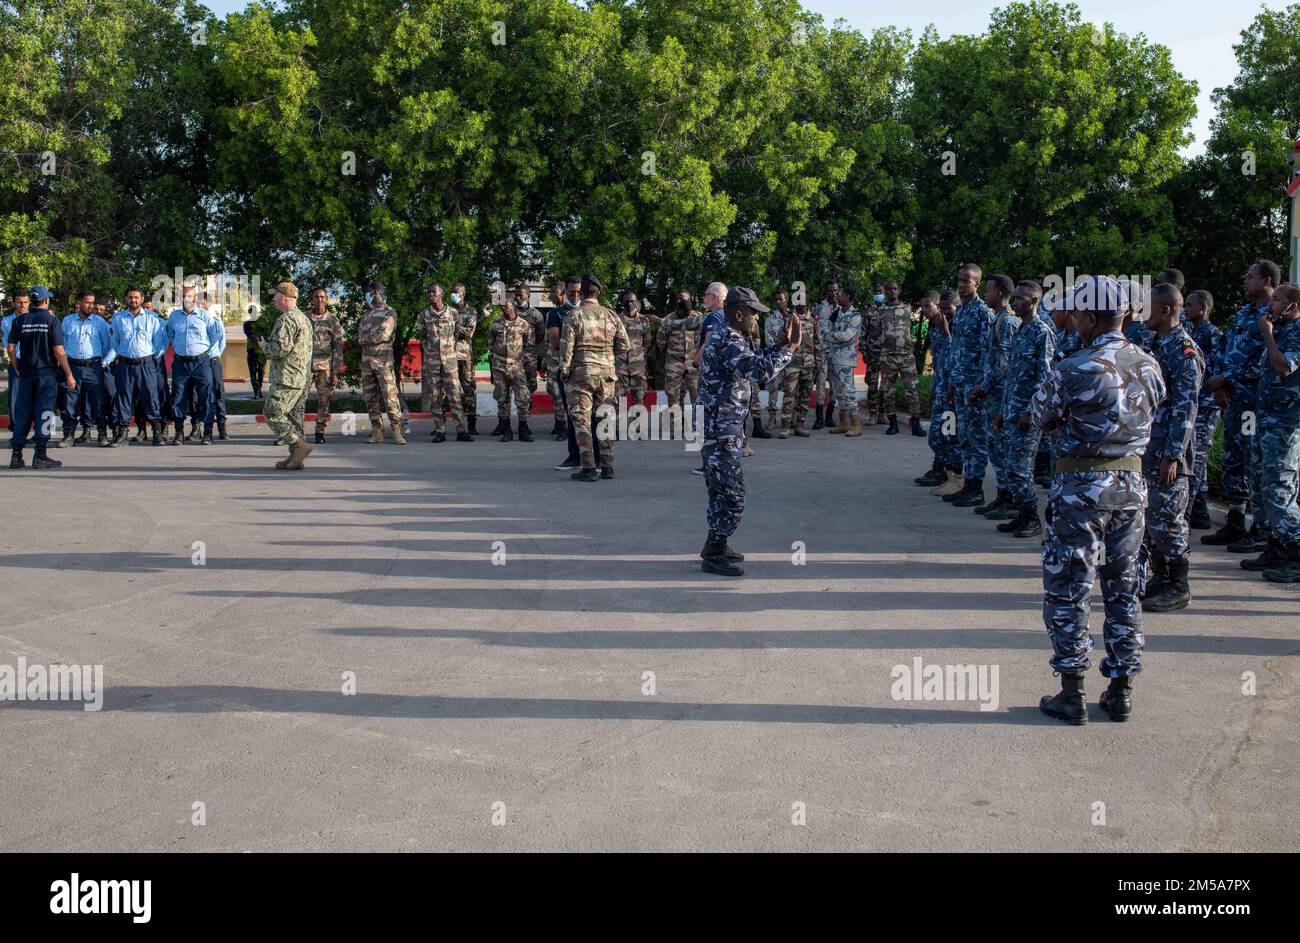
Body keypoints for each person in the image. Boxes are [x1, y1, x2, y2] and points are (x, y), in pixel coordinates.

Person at [1032, 276, 1165, 725]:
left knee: (1070, 587)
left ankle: (1072, 692)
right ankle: (1121, 691)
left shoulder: (1073, 367)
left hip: (1079, 489)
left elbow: (1041, 416)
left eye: (1077, 315)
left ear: (1090, 317)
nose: (1072, 322)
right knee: (1124, 585)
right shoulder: (1150, 364)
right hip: (1131, 488)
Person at [698, 287, 798, 576]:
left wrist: (781, 345)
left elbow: (757, 356)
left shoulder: (734, 335)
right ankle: (714, 552)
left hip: (725, 426)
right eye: (754, 313)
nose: (756, 318)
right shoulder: (727, 337)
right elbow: (760, 371)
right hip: (721, 428)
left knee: (721, 490)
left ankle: (716, 544)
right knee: (731, 493)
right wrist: (790, 350)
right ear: (739, 313)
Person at [1202, 260, 1280, 550]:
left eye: (1251, 277)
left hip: (1253, 399)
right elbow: (1225, 348)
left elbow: (1265, 360)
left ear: (1267, 279)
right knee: (1232, 454)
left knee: (1251, 456)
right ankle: (1235, 520)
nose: (1245, 281)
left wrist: (1227, 379)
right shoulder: (1244, 312)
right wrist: (1221, 382)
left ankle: (1259, 526)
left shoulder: (1273, 314)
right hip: (1233, 396)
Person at [1138, 283, 1204, 612]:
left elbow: (1186, 407)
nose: (1142, 313)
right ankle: (1160, 578)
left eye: (1148, 307)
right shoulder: (1155, 344)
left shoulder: (1184, 349)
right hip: (1149, 448)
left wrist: (1173, 455)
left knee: (1168, 520)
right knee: (1152, 521)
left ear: (1165, 310)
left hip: (1168, 453)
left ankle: (1179, 584)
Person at [1246, 283, 1300, 582]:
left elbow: (1283, 368)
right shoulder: (1280, 330)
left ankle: (1295, 553)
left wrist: (1267, 332)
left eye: (1277, 300)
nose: (1271, 304)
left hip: (1285, 424)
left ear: (1293, 305)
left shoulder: (1297, 331)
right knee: (1262, 483)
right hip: (1266, 420)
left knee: (1280, 487)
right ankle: (1277, 546)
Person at [992, 280, 1053, 537]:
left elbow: (1045, 377)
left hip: (1027, 415)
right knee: (1009, 465)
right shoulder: (1021, 330)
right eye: (1014, 297)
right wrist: (1002, 411)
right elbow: (1012, 376)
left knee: (1019, 467)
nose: (1015, 302)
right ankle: (1021, 513)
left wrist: (1032, 411)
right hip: (1011, 411)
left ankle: (1032, 518)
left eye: (1020, 298)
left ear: (1034, 302)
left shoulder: (1042, 332)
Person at [558, 275, 628, 481]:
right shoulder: (611, 315)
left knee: (582, 421)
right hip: (606, 375)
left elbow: (566, 349)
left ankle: (588, 468)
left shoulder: (573, 315)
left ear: (582, 292)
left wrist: (564, 372)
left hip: (582, 374)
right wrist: (606, 356)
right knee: (605, 420)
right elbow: (624, 345)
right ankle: (607, 467)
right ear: (599, 292)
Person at [6, 286, 76, 469]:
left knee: (23, 413)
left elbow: (11, 348)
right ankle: (41, 454)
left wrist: (16, 366)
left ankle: (16, 455)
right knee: (45, 413)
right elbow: (59, 350)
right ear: (46, 301)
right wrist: (69, 374)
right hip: (46, 374)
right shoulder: (52, 321)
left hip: (26, 374)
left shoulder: (19, 321)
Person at [970, 275, 1020, 516]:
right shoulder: (999, 318)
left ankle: (1009, 498)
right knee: (994, 445)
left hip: (1000, 395)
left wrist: (983, 386)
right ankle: (1002, 495)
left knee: (1002, 446)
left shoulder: (1008, 321)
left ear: (999, 293)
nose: (986, 295)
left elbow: (1003, 363)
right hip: (992, 394)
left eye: (989, 291)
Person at [948, 264, 994, 506]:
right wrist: (950, 383)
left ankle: (976, 487)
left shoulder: (982, 312)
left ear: (977, 283)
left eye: (967, 281)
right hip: (959, 383)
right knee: (964, 435)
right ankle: (968, 483)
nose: (962, 284)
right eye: (959, 280)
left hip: (974, 387)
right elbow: (955, 350)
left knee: (976, 436)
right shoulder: (962, 312)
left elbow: (989, 353)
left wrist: (981, 386)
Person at [165, 284, 224, 446]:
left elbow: (214, 336)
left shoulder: (205, 316)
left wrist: (206, 352)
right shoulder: (174, 317)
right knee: (177, 397)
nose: (186, 299)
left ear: (195, 299)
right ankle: (179, 432)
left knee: (206, 397)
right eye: (183, 296)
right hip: (181, 363)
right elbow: (170, 335)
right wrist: (179, 348)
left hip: (201, 362)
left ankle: (207, 432)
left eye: (190, 296)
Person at [263, 282, 314, 469]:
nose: (273, 299)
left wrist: (264, 347)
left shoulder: (286, 320)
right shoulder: (303, 318)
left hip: (287, 377)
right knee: (293, 417)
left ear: (284, 297)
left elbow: (278, 350)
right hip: (301, 377)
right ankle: (295, 458)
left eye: (275, 295)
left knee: (272, 412)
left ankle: (298, 445)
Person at [108, 286, 167, 447]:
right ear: (126, 299)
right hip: (126, 364)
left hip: (146, 364)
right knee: (124, 398)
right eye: (130, 297)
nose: (133, 300)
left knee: (151, 397)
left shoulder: (152, 319)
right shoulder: (118, 318)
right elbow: (115, 342)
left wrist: (151, 359)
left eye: (136, 297)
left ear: (141, 299)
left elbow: (160, 343)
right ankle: (122, 434)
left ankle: (157, 433)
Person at [1184, 290, 1222, 529]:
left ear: (1204, 307)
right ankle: (1200, 510)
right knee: (1198, 457)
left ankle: (1186, 512)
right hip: (1194, 402)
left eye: (1190, 305)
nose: (1186, 309)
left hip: (1206, 404)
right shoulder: (1190, 332)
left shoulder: (1212, 334)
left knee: (1197, 458)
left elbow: (1218, 368)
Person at [417, 283, 471, 443]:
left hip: (450, 362)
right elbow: (423, 338)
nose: (431, 294)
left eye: (434, 292)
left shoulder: (453, 313)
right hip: (432, 362)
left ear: (441, 294)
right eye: (429, 292)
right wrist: (430, 353)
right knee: (435, 397)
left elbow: (456, 334)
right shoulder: (424, 315)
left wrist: (449, 351)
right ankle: (440, 431)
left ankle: (461, 430)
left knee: (455, 395)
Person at [60, 290, 115, 446]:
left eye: (93, 302)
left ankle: (102, 434)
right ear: (79, 303)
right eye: (87, 302)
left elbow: (107, 345)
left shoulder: (99, 322)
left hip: (93, 367)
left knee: (98, 401)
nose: (91, 305)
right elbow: (63, 344)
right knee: (71, 401)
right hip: (73, 366)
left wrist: (102, 362)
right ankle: (69, 434)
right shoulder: (68, 321)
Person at [357, 283, 405, 445]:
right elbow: (360, 337)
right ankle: (377, 430)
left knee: (390, 396)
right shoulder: (367, 315)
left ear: (377, 293)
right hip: (367, 362)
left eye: (370, 292)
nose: (368, 295)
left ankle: (397, 430)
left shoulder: (389, 312)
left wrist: (368, 339)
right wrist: (370, 338)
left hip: (383, 362)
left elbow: (384, 334)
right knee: (370, 397)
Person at [873, 282, 923, 436]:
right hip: (888, 357)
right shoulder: (879, 311)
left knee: (912, 390)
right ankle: (893, 423)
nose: (892, 291)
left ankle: (916, 423)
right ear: (886, 292)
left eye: (895, 289)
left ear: (899, 291)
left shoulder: (907, 308)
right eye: (889, 289)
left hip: (907, 356)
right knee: (888, 392)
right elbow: (875, 334)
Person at [488, 298, 534, 441]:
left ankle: (523, 428)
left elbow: (528, 345)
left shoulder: (523, 325)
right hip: (499, 367)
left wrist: (529, 368)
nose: (504, 309)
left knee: (523, 398)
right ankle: (506, 430)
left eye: (506, 306)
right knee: (502, 399)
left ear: (513, 306)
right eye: (502, 307)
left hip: (517, 367)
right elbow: (491, 344)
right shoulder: (495, 324)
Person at [305, 287, 343, 444]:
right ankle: (295, 433)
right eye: (316, 297)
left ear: (326, 299)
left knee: (324, 400)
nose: (319, 300)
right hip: (305, 365)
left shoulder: (332, 321)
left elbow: (338, 347)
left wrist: (336, 371)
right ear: (312, 299)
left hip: (324, 366)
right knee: (298, 399)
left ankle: (319, 432)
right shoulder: (304, 317)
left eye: (322, 297)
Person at [825, 284, 863, 436]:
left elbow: (847, 336)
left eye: (840, 294)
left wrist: (830, 337)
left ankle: (856, 424)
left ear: (848, 297)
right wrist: (832, 337)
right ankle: (844, 422)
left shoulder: (855, 316)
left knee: (849, 392)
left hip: (846, 359)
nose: (837, 296)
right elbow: (826, 330)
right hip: (834, 357)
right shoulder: (836, 314)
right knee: (838, 392)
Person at [778, 301, 818, 438]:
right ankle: (785, 427)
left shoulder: (813, 321)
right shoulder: (789, 319)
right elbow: (781, 340)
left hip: (808, 365)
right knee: (789, 395)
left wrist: (818, 364)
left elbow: (818, 343)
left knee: (805, 396)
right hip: (792, 364)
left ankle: (799, 425)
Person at [199, 291, 229, 441]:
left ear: (209, 304)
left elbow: (222, 342)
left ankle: (222, 427)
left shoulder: (216, 321)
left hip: (212, 360)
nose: (201, 304)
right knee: (200, 394)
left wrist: (213, 356)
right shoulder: (193, 320)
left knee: (218, 393)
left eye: (204, 302)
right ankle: (198, 427)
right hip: (197, 362)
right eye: (199, 302)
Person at [450, 282, 478, 436]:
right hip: (448, 355)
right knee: (446, 389)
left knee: (468, 388)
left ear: (463, 294)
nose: (453, 294)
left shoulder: (471, 312)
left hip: (464, 355)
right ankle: (440, 425)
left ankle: (472, 423)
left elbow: (469, 333)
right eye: (452, 292)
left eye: (456, 292)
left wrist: (452, 325)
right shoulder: (447, 311)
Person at [615, 290, 650, 411]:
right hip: (620, 367)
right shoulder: (616, 320)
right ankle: (618, 428)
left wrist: (638, 355)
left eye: (632, 301)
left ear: (636, 302)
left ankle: (638, 428)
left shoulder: (644, 320)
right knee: (619, 400)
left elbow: (647, 342)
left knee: (639, 399)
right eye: (627, 301)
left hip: (638, 368)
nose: (630, 304)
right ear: (622, 302)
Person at [810, 280, 838, 429]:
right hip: (822, 352)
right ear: (826, 292)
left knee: (834, 385)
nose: (833, 293)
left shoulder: (842, 308)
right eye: (830, 291)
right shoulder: (819, 308)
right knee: (820, 384)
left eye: (835, 291)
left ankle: (829, 417)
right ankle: (819, 418)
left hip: (837, 353)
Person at [542, 279, 567, 437]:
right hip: (552, 359)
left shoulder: (569, 314)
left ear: (563, 294)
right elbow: (547, 339)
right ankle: (559, 423)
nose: (551, 295)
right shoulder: (552, 313)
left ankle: (566, 426)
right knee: (553, 391)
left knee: (564, 393)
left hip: (566, 359)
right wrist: (545, 359)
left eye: (554, 293)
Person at [514, 284, 546, 404]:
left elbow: (541, 335)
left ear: (528, 296)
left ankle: (528, 406)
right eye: (516, 295)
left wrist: (534, 351)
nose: (517, 298)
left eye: (520, 295)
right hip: (513, 355)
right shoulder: (511, 312)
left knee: (530, 384)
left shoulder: (536, 315)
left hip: (529, 355)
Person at [762, 290, 789, 433]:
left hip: (792, 359)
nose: (778, 302)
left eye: (781, 299)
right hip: (777, 358)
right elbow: (768, 340)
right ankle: (772, 418)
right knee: (773, 389)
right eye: (776, 299)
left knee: (791, 390)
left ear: (787, 300)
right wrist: (780, 348)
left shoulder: (794, 316)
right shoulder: (770, 318)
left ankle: (788, 418)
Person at [3, 287, 29, 418]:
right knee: (15, 397)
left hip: (33, 361)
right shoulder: (7, 322)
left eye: (26, 302)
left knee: (37, 396)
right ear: (13, 303)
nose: (23, 305)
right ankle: (15, 427)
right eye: (19, 302)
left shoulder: (34, 318)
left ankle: (39, 432)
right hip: (16, 361)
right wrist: (15, 366)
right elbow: (9, 346)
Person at [244, 306, 265, 399]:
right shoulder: (247, 323)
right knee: (252, 372)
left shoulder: (262, 323)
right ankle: (255, 391)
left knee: (261, 371)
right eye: (252, 312)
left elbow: (266, 334)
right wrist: (257, 337)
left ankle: (259, 390)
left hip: (261, 351)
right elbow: (249, 334)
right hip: (251, 350)